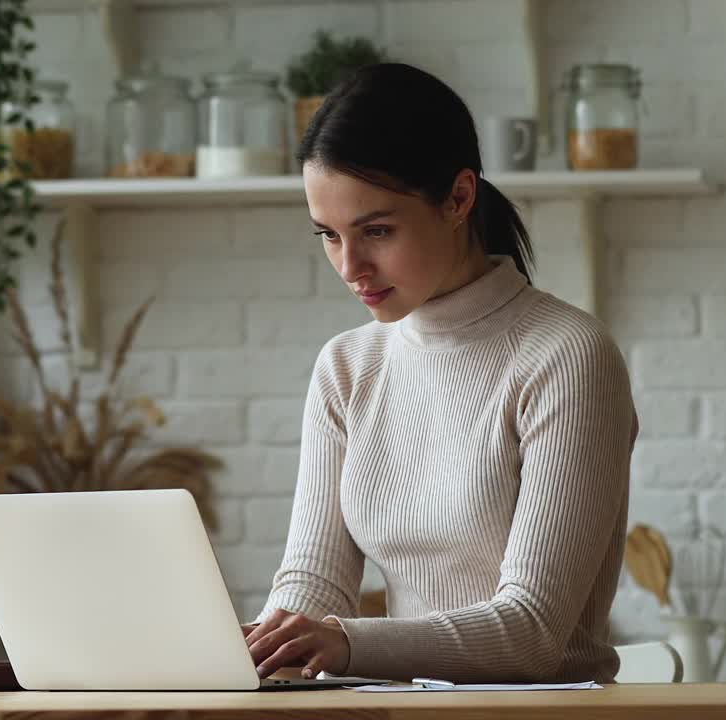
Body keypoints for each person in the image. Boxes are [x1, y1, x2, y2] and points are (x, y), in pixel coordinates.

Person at [241, 63, 638, 685]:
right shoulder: (347, 367)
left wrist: (340, 644)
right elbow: (313, 586)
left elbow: (530, 632)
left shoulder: (567, 355)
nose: (350, 267)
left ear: (458, 197)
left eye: (376, 230)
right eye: (328, 235)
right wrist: (257, 648)